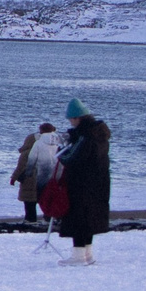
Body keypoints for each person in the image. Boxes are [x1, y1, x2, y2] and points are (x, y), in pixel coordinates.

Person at [56, 100, 111, 265]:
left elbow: (71, 158)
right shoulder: (99, 134)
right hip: (100, 183)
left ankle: (78, 257)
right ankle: (88, 255)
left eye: (71, 119)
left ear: (78, 118)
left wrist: (59, 153)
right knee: (90, 219)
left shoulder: (86, 137)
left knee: (78, 218)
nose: (70, 123)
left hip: (82, 184)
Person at [10, 122, 59, 224]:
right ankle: (48, 218)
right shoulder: (53, 148)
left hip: (29, 180)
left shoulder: (27, 153)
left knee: (29, 202)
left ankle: (30, 219)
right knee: (47, 199)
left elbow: (21, 167)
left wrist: (13, 178)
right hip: (47, 179)